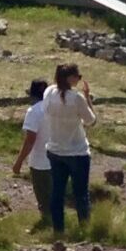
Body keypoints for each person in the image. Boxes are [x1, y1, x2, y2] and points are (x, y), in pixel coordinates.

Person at [44, 63, 96, 235]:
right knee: (81, 193)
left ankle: (58, 229)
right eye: (77, 76)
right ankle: (85, 228)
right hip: (77, 151)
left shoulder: (49, 92)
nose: (79, 79)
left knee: (57, 192)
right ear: (70, 78)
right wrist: (88, 97)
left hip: (55, 150)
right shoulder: (77, 98)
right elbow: (91, 121)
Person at [12, 78, 51, 227]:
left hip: (41, 162)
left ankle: (49, 225)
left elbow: (30, 140)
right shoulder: (56, 107)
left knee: (44, 198)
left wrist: (19, 161)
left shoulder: (34, 111)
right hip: (60, 158)